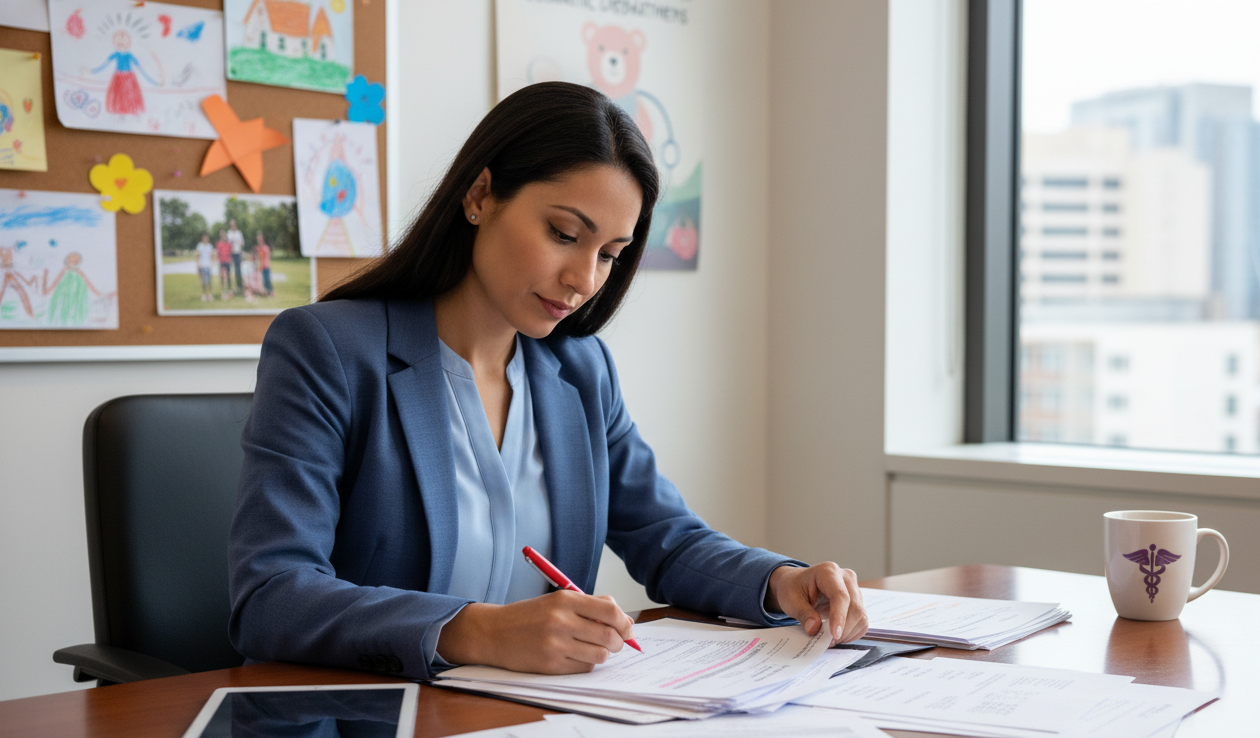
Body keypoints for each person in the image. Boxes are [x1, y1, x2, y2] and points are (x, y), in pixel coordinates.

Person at [228, 82, 867, 682]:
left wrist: (781, 580)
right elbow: (270, 596)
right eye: (564, 234)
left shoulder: (580, 370)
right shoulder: (329, 350)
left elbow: (665, 540)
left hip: (541, 726)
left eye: (611, 254)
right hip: (373, 722)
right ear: (479, 196)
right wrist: (476, 632)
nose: (585, 280)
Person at [227, 219, 246, 290]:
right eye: (231, 225)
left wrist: (240, 246)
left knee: (238, 270)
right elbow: (228, 243)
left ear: (235, 225)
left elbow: (242, 243)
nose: (232, 226)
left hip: (238, 253)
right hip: (231, 254)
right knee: (232, 270)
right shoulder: (229, 233)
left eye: (233, 224)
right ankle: (231, 286)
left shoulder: (239, 233)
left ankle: (240, 285)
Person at [254, 231, 273, 297]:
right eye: (258, 238)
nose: (259, 240)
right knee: (264, 280)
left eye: (260, 238)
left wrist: (262, 265)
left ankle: (270, 292)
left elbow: (265, 257)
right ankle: (266, 292)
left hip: (266, 266)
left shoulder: (265, 247)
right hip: (262, 266)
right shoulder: (258, 248)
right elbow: (258, 256)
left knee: (267, 279)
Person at [195, 233, 213, 302]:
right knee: (203, 281)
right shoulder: (199, 246)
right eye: (204, 238)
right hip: (202, 266)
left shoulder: (210, 246)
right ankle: (204, 295)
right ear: (202, 239)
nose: (205, 239)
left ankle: (210, 294)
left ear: (208, 239)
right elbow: (197, 256)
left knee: (209, 281)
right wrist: (198, 265)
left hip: (208, 266)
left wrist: (212, 264)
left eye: (207, 238)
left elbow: (211, 256)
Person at [215, 232, 233, 297]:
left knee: (228, 276)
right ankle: (223, 290)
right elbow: (218, 253)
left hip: (227, 261)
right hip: (221, 262)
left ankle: (229, 289)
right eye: (221, 235)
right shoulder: (218, 244)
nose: (223, 236)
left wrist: (230, 259)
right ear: (220, 236)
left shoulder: (228, 244)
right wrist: (218, 261)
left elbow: (230, 252)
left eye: (224, 235)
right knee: (222, 276)